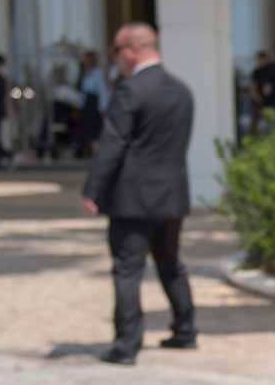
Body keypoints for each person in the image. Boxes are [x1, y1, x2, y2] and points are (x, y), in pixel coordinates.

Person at [80, 22, 197, 365]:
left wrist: (93, 191)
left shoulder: (130, 91)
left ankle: (126, 345)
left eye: (117, 50)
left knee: (127, 270)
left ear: (132, 49)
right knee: (171, 265)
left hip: (132, 199)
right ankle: (185, 330)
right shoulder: (182, 90)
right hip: (171, 196)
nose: (115, 59)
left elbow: (112, 145)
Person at [77, 50, 109, 157]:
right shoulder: (85, 73)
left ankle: (97, 152)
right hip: (86, 103)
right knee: (87, 129)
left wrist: (102, 107)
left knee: (94, 129)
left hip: (93, 103)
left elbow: (102, 90)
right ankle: (90, 149)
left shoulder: (97, 73)